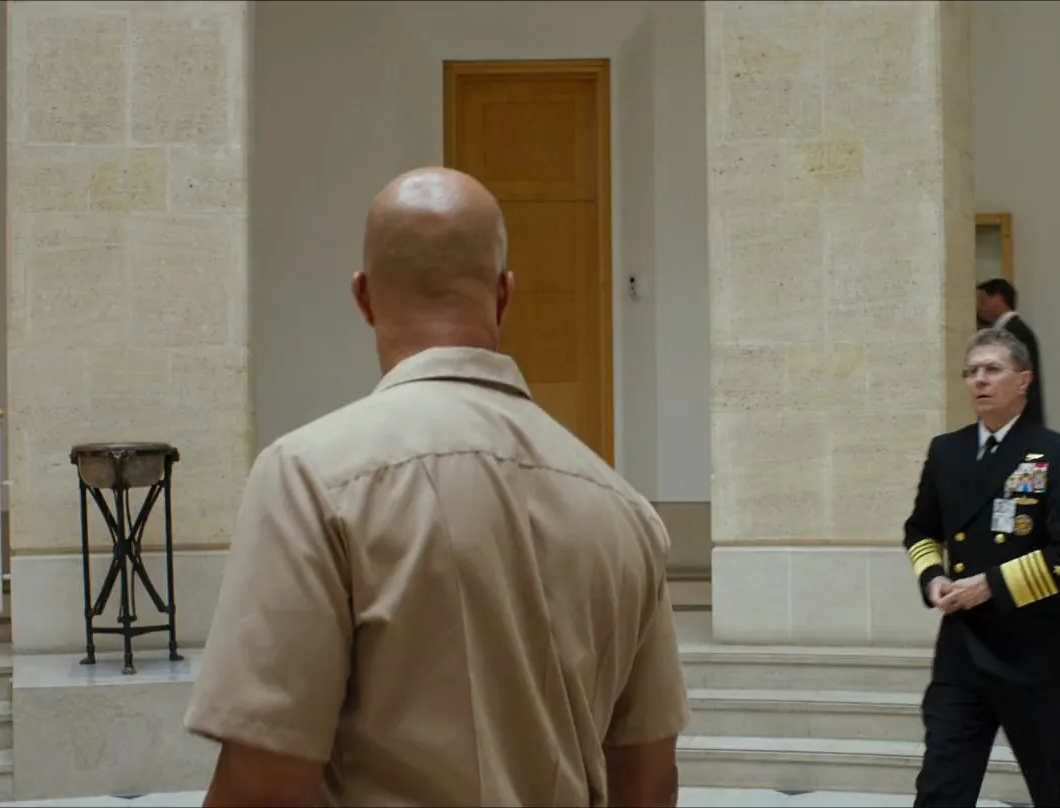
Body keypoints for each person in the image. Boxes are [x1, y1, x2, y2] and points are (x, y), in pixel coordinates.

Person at [185, 167, 689, 808]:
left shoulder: (310, 478)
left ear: (363, 297)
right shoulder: (625, 510)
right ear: (504, 295)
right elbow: (648, 782)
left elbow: (263, 787)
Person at [902, 327, 1060, 808]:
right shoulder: (946, 451)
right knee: (940, 789)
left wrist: (991, 585)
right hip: (962, 651)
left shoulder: (1056, 453)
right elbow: (920, 530)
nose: (979, 380)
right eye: (971, 371)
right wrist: (933, 577)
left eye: (992, 369)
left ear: (1023, 380)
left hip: (1034, 652)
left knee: (1056, 792)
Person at [974, 279, 1044, 428]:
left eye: (982, 301)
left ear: (998, 299)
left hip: (1017, 419)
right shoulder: (1011, 329)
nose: (979, 307)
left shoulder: (1014, 331)